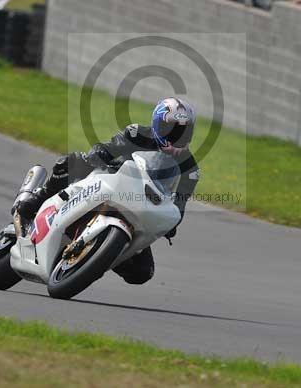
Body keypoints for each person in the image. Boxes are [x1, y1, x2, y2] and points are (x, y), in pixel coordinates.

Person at [11, 98, 200, 285]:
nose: (177, 136)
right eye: (172, 129)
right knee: (71, 162)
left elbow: (179, 205)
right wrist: (99, 152)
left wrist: (171, 224)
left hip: (142, 206)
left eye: (183, 131)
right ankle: (37, 199)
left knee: (142, 272)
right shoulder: (137, 134)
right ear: (157, 124)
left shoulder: (190, 169)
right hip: (110, 181)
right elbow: (108, 147)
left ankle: (101, 256)